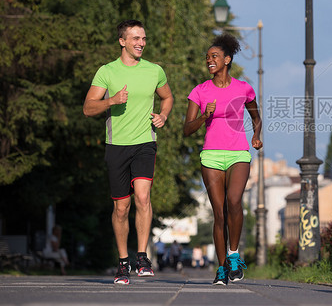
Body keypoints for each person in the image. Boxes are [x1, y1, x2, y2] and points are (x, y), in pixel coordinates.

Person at [83, 20, 174, 285]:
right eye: (135, 38)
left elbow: (167, 97)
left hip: (145, 142)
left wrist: (164, 115)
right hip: (116, 146)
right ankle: (123, 262)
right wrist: (111, 100)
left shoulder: (155, 70)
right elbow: (88, 108)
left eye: (143, 38)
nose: (141, 43)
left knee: (143, 197)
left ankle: (142, 256)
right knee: (121, 208)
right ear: (122, 41)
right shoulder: (107, 72)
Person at [183, 33, 262, 286]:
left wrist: (257, 137)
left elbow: (256, 118)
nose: (209, 61)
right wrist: (205, 116)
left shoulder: (243, 88)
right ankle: (220, 268)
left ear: (227, 60)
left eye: (214, 56)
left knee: (234, 201)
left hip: (239, 152)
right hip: (211, 156)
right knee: (219, 213)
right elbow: (187, 129)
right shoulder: (200, 91)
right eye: (207, 58)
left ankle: (234, 254)